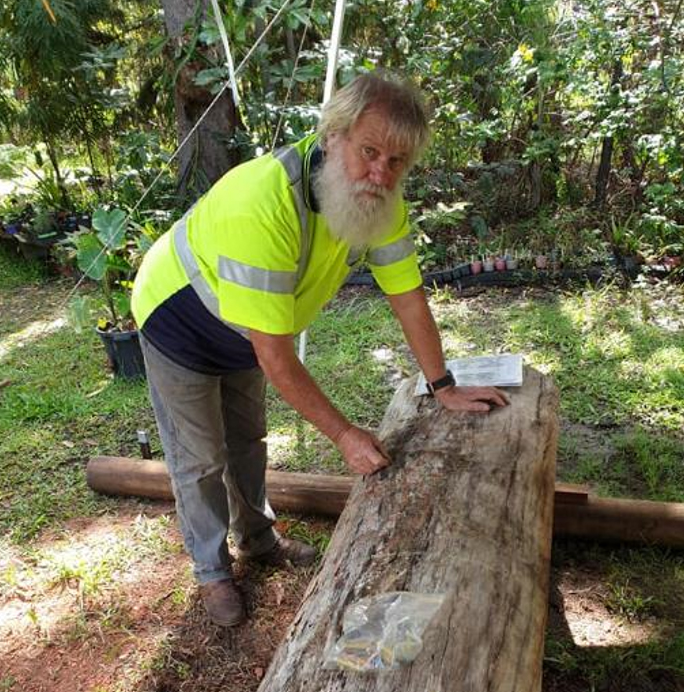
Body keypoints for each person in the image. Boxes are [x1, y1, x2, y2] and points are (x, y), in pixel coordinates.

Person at [132, 72, 508, 627]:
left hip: (245, 329)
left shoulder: (380, 203)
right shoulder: (263, 200)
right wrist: (345, 435)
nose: (380, 172)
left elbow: (408, 297)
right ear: (332, 135)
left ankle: (258, 540)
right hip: (178, 320)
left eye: (396, 161)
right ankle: (211, 572)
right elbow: (277, 357)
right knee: (201, 458)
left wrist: (443, 386)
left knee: (248, 439)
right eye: (369, 151)